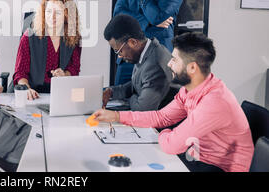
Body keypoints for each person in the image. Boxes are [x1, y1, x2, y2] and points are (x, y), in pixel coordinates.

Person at [93, 33, 254, 172]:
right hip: (200, 157)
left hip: (220, 167)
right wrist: (116, 116)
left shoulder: (214, 102)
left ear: (192, 68)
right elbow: (161, 117)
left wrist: (165, 132)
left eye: (174, 60)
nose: (169, 64)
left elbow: (172, 145)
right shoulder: (189, 89)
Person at [13, 0, 82, 100]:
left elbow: (74, 68)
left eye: (58, 13)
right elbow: (20, 72)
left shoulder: (73, 38)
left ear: (67, 15)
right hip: (31, 92)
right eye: (48, 11)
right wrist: (26, 89)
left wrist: (64, 75)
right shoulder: (29, 36)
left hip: (58, 93)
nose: (52, 17)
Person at [102, 14, 173, 111]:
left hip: (157, 124)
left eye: (119, 51)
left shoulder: (155, 65)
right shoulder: (146, 50)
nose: (120, 56)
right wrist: (111, 92)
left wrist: (132, 97)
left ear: (133, 42)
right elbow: (136, 85)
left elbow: (143, 109)